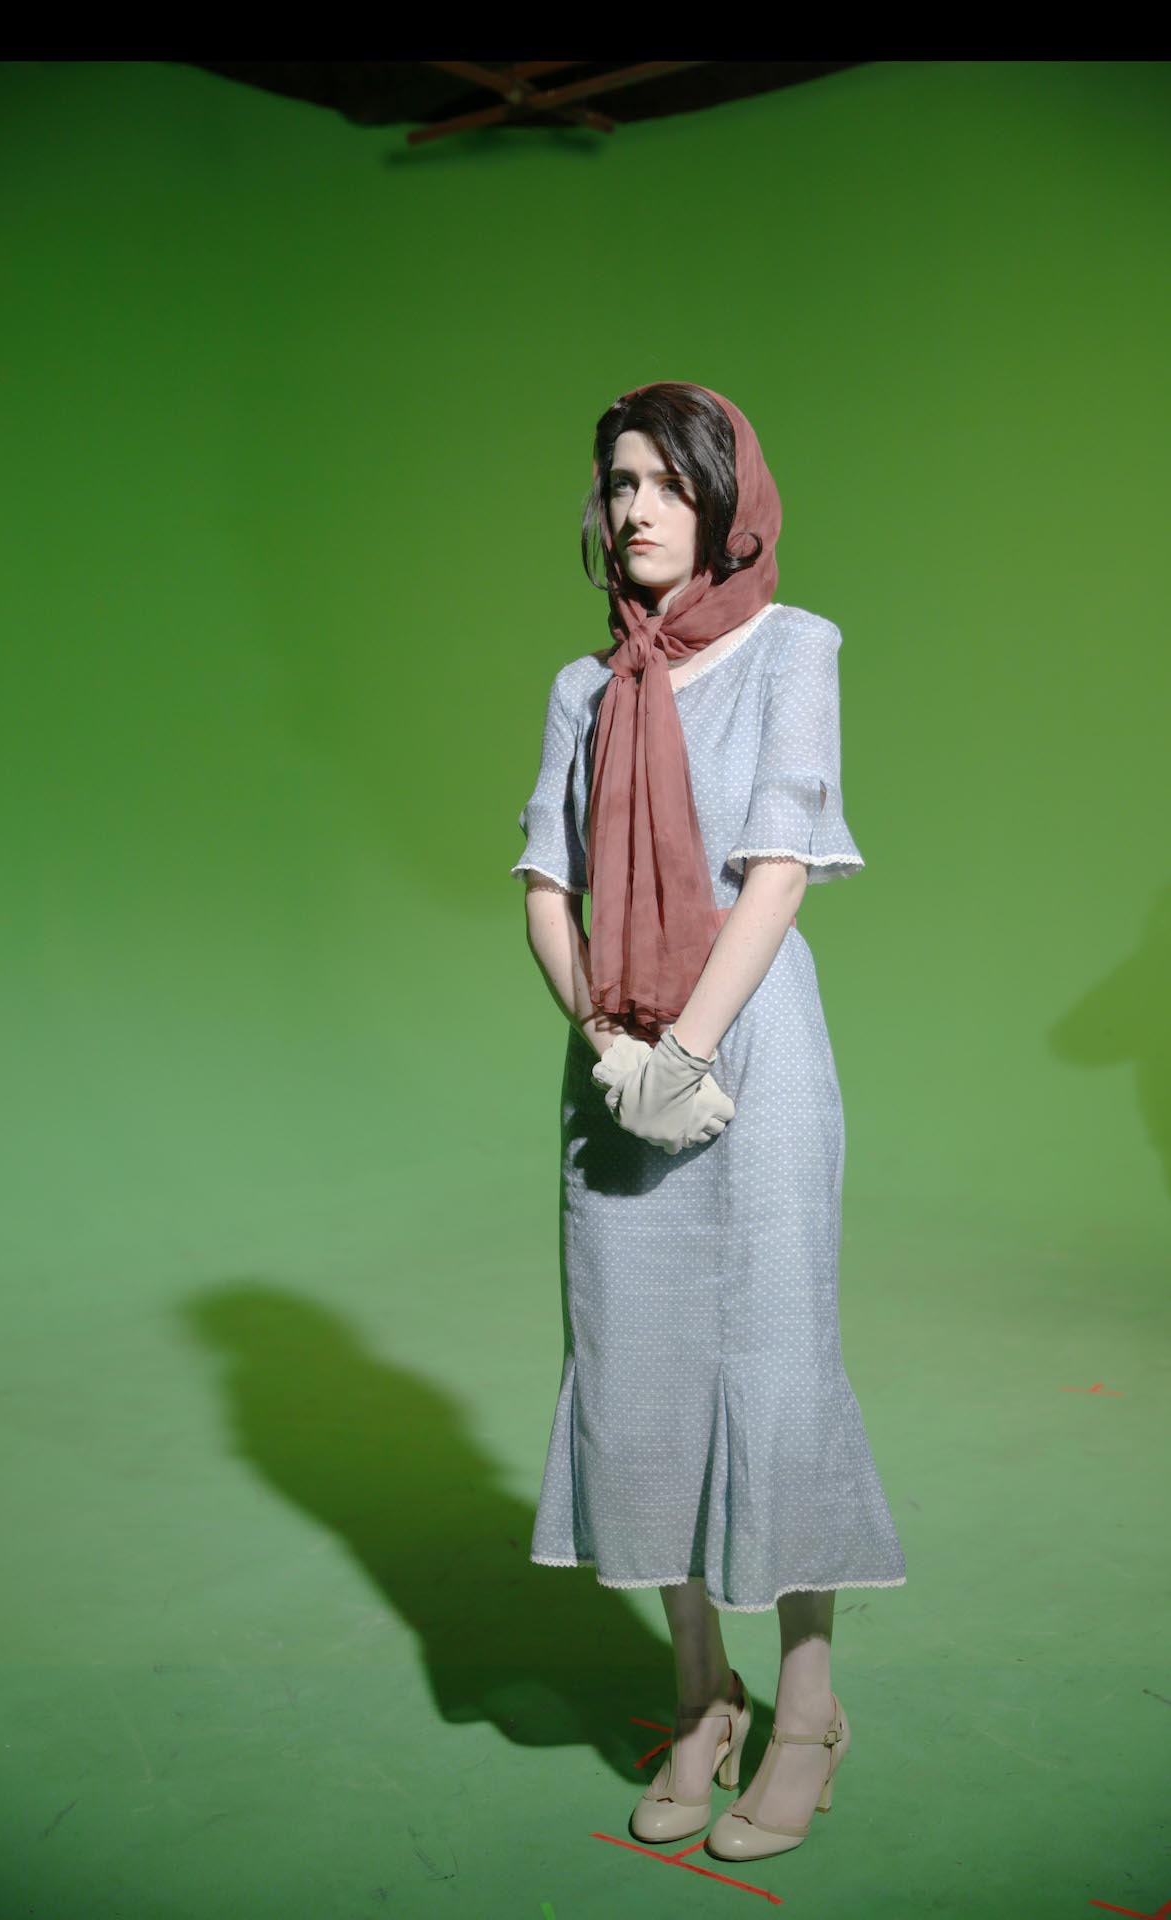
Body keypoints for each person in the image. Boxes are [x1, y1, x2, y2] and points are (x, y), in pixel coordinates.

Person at [510, 382, 906, 1862]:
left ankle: (807, 1709)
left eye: (667, 483)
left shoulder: (796, 647)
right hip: (619, 1074)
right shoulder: (586, 687)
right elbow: (549, 888)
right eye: (618, 484)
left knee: (777, 1375)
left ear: (726, 503)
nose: (636, 509)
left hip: (751, 1061)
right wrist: (609, 1042)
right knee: (642, 1378)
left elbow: (780, 867)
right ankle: (701, 1699)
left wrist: (684, 1045)